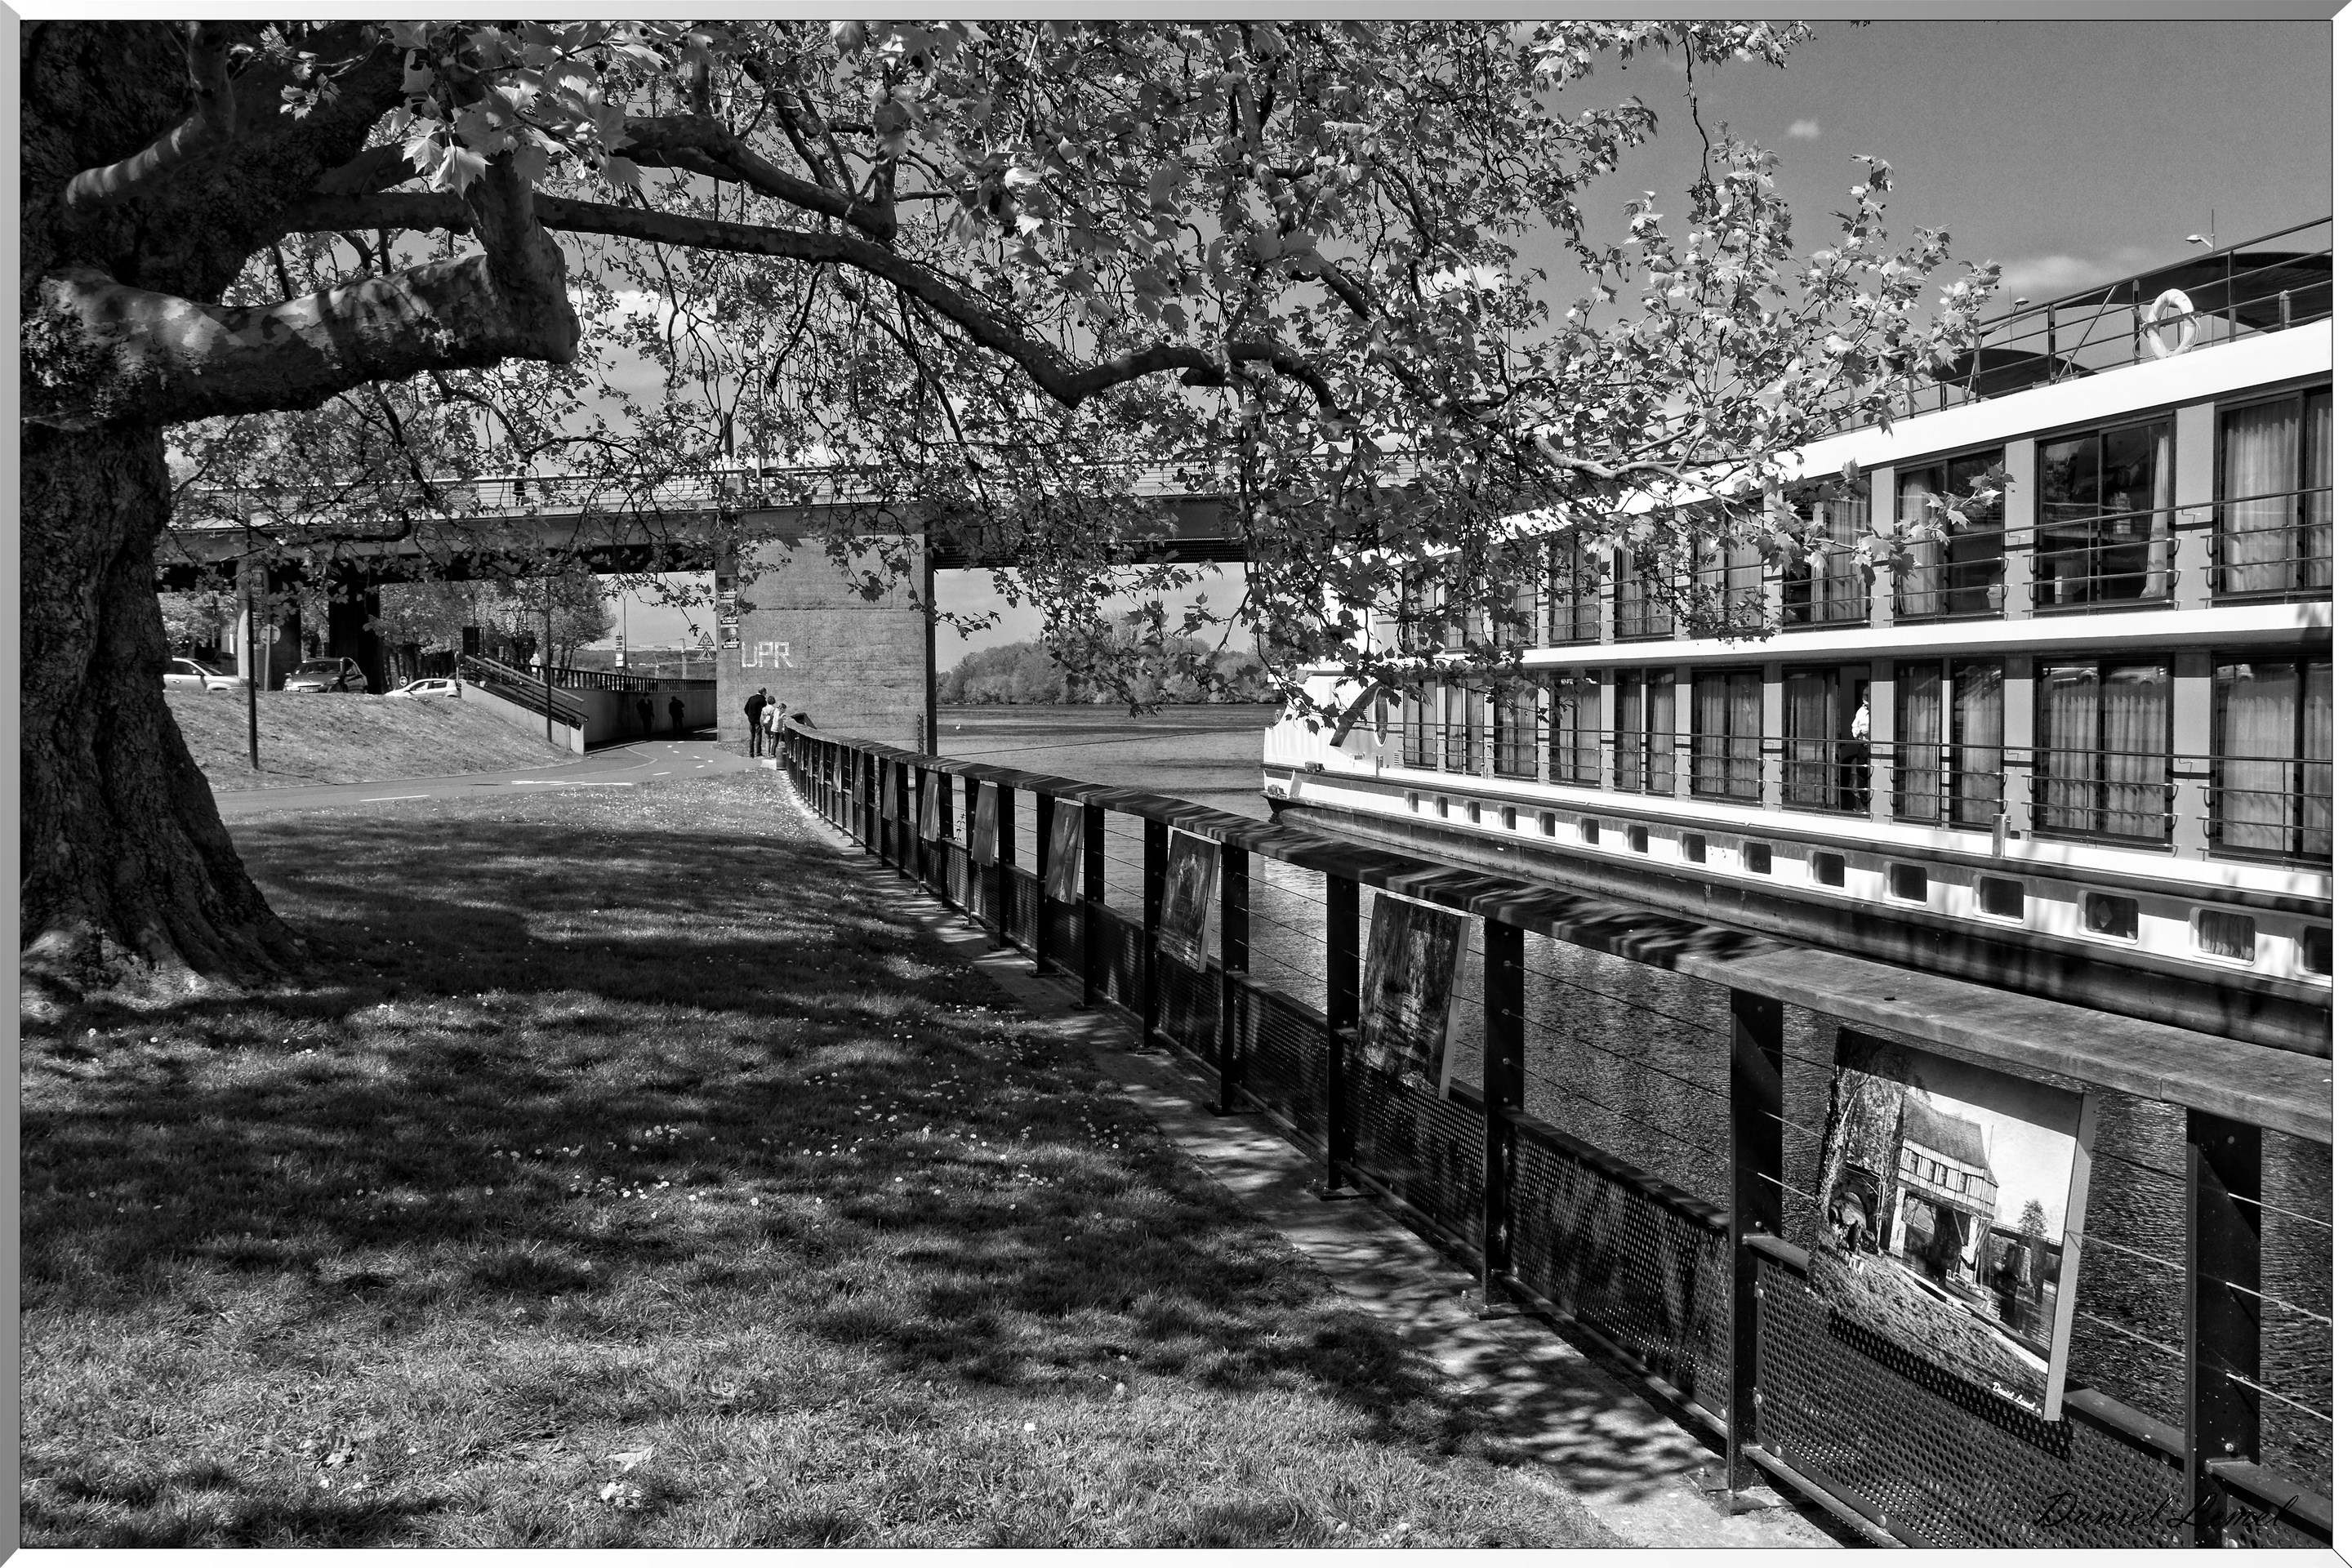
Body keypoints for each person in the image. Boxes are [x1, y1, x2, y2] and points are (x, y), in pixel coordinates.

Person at [1837, 693, 1871, 810]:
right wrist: (1860, 732)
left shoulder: (1877, 711)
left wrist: (1868, 730)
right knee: (1862, 776)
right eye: (1864, 698)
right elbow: (1854, 729)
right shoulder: (1861, 711)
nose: (1865, 702)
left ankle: (1873, 806)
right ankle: (1864, 805)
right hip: (1863, 746)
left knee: (1872, 775)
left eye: (1867, 698)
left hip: (1874, 747)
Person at [744, 687, 768, 756]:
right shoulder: (762, 700)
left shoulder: (751, 698)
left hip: (751, 720)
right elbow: (764, 710)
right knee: (758, 735)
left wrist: (749, 716)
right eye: (765, 693)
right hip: (758, 720)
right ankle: (758, 752)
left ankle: (751, 752)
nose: (766, 694)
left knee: (752, 736)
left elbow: (746, 709)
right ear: (763, 692)